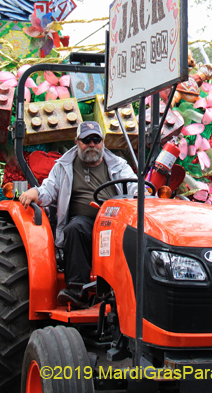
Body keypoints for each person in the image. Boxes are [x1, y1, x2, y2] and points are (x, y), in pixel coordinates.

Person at [19, 121, 137, 308]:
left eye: (96, 140)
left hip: (113, 220)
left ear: (103, 142)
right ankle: (77, 290)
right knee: (75, 228)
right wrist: (36, 193)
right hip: (84, 222)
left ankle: (132, 293)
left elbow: (133, 186)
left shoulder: (118, 165)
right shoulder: (64, 166)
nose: (92, 144)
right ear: (77, 142)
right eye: (86, 140)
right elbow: (49, 190)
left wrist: (142, 192)